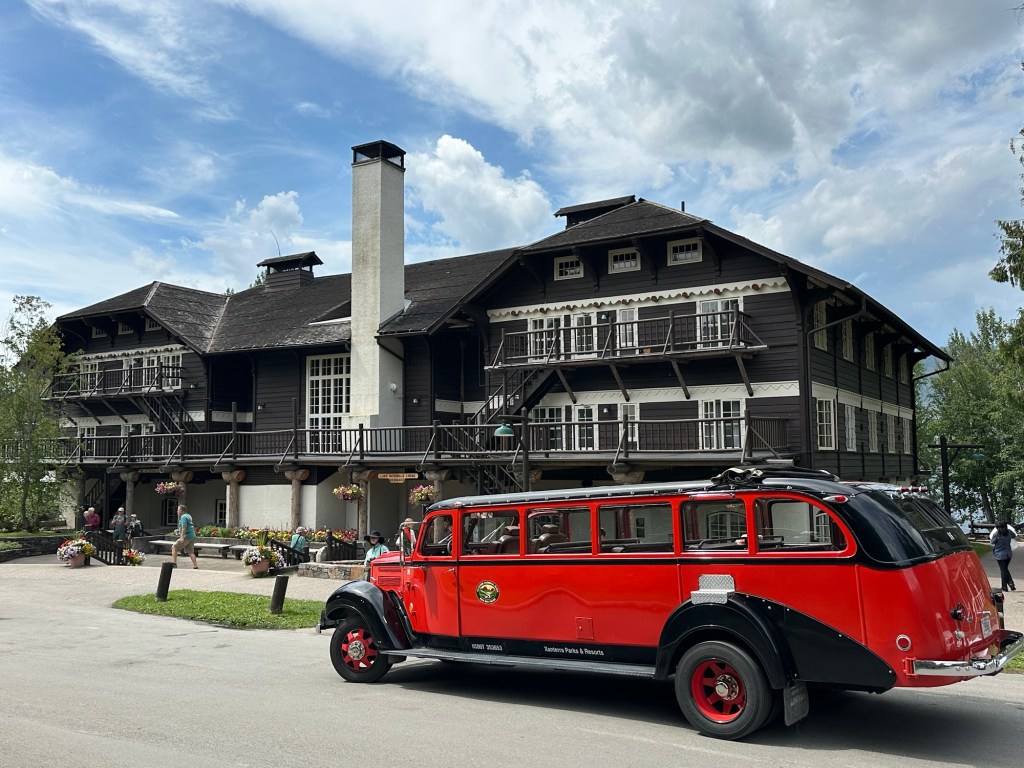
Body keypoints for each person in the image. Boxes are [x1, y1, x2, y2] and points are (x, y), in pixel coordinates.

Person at [990, 521, 1018, 592]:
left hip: (1000, 555)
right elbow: (1014, 535)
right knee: (1005, 569)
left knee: (1003, 570)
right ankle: (1011, 583)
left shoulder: (997, 534)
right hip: (1008, 554)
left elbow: (992, 542)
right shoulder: (1009, 532)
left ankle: (1005, 586)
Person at [171, 504, 199, 569]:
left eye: (178, 510)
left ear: (181, 510)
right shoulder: (188, 516)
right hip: (192, 536)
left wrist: (182, 537)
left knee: (174, 547)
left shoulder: (183, 517)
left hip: (187, 536)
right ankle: (195, 566)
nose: (177, 511)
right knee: (191, 552)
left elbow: (184, 527)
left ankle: (174, 563)